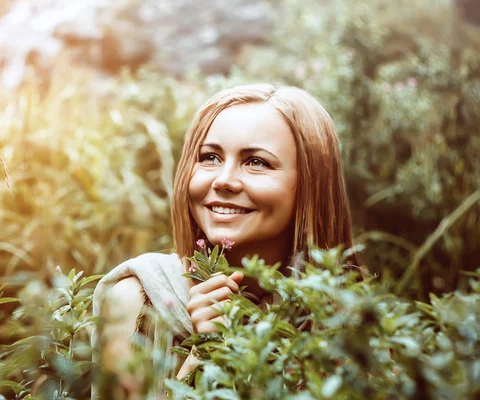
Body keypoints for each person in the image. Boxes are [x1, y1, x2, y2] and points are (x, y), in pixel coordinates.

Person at [90, 83, 357, 398]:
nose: (224, 180)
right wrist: (205, 354)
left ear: (310, 184)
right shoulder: (135, 302)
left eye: (256, 162)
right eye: (210, 157)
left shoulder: (348, 323)